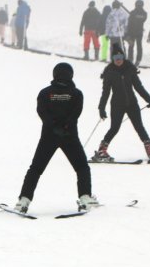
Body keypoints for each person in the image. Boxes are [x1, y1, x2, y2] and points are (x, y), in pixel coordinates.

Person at [10, 63, 96, 215]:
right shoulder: (77, 94)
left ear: (54, 74)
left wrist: (54, 126)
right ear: (71, 75)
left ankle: (23, 200)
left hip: (49, 136)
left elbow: (42, 112)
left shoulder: (45, 93)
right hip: (69, 136)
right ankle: (85, 198)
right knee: (82, 167)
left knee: (35, 169)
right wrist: (65, 127)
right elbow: (75, 115)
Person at [93, 51, 150, 163]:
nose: (118, 60)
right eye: (116, 57)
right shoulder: (109, 72)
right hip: (117, 105)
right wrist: (101, 108)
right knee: (114, 128)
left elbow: (138, 87)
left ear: (123, 57)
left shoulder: (130, 69)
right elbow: (106, 92)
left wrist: (148, 99)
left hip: (132, 103)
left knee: (139, 127)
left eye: (120, 57)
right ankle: (101, 150)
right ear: (113, 58)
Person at [126, 0, 148, 65]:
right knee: (139, 46)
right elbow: (143, 20)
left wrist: (127, 33)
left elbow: (129, 23)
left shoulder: (132, 12)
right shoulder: (144, 13)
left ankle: (130, 59)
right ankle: (138, 60)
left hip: (132, 32)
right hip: (139, 32)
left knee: (131, 46)